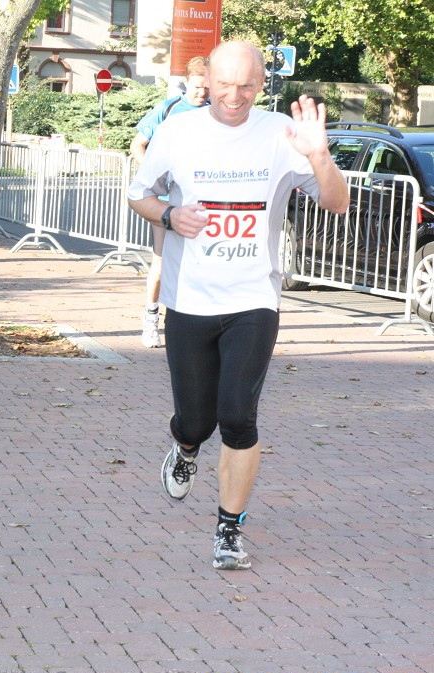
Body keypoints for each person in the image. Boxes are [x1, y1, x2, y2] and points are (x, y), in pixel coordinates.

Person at [127, 41, 348, 570]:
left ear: (261, 83)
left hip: (254, 298)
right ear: (207, 79)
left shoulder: (281, 134)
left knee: (238, 417)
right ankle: (184, 447)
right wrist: (168, 216)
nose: (234, 96)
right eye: (224, 84)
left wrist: (318, 155)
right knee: (198, 420)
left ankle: (229, 529)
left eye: (246, 86)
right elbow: (139, 194)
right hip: (188, 299)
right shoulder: (178, 131)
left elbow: (337, 203)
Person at [129, 56, 210, 348]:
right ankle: (150, 319)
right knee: (162, 262)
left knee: (201, 263)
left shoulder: (216, 112)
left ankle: (191, 322)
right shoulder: (169, 108)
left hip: (200, 202)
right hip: (165, 201)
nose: (203, 92)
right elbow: (137, 144)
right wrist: (153, 176)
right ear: (187, 82)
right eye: (198, 86)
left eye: (207, 87)